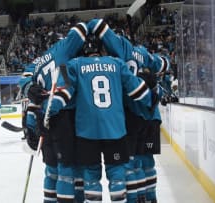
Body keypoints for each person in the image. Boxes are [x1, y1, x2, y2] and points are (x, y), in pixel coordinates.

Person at [41, 42, 157, 203]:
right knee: (117, 177)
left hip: (87, 132)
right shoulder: (117, 63)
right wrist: (152, 99)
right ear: (102, 49)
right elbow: (136, 89)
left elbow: (63, 94)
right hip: (115, 130)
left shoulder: (74, 64)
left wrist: (46, 112)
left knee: (91, 179)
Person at [86, 18, 170, 203]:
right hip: (151, 113)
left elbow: (97, 24)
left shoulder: (118, 50)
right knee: (146, 161)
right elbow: (163, 64)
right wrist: (156, 72)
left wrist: (84, 30)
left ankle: (137, 199)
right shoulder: (142, 52)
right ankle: (150, 198)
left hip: (132, 114)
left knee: (131, 164)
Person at [19, 21, 88, 203]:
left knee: (51, 170)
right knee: (69, 170)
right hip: (64, 115)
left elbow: (24, 78)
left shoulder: (39, 61)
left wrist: (28, 88)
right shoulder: (63, 49)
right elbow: (82, 29)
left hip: (45, 119)